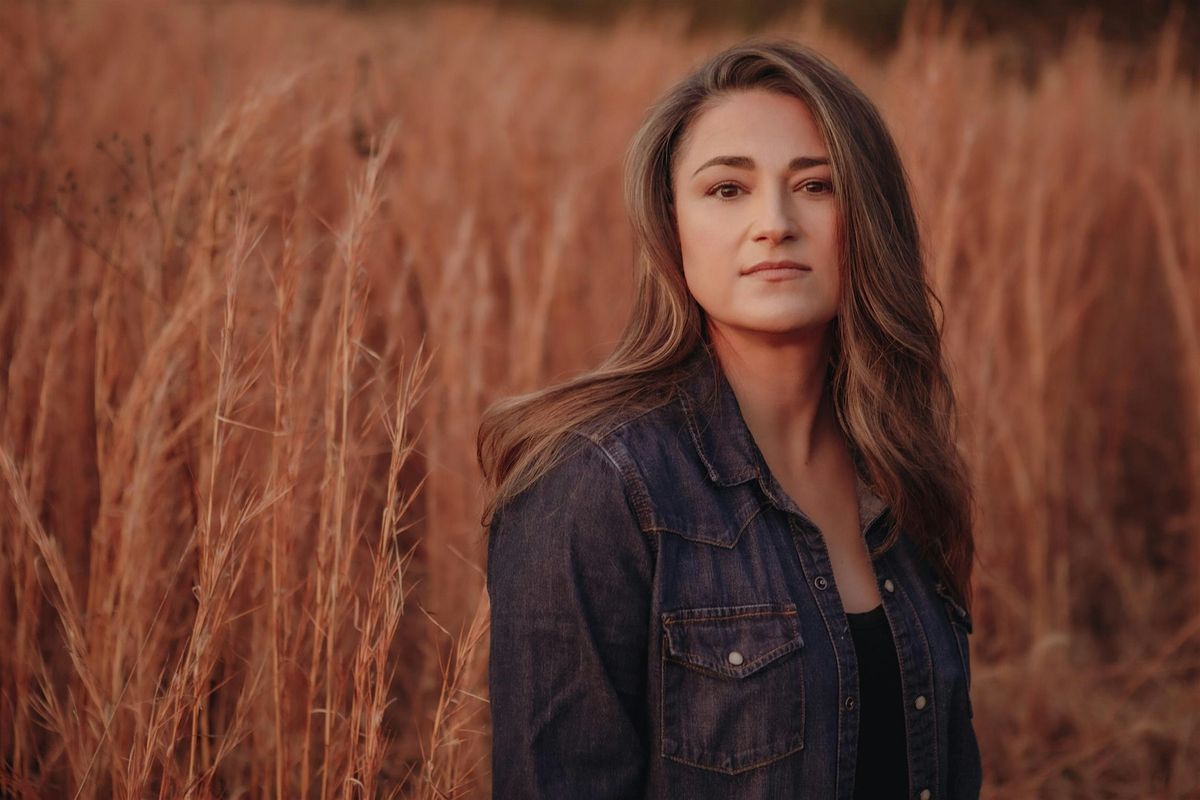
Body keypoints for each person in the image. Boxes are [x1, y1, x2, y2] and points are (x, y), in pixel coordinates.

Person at [476, 36, 982, 800]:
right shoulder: (593, 488)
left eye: (816, 186)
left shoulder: (902, 469)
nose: (775, 222)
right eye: (727, 190)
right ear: (670, 227)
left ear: (867, 216)